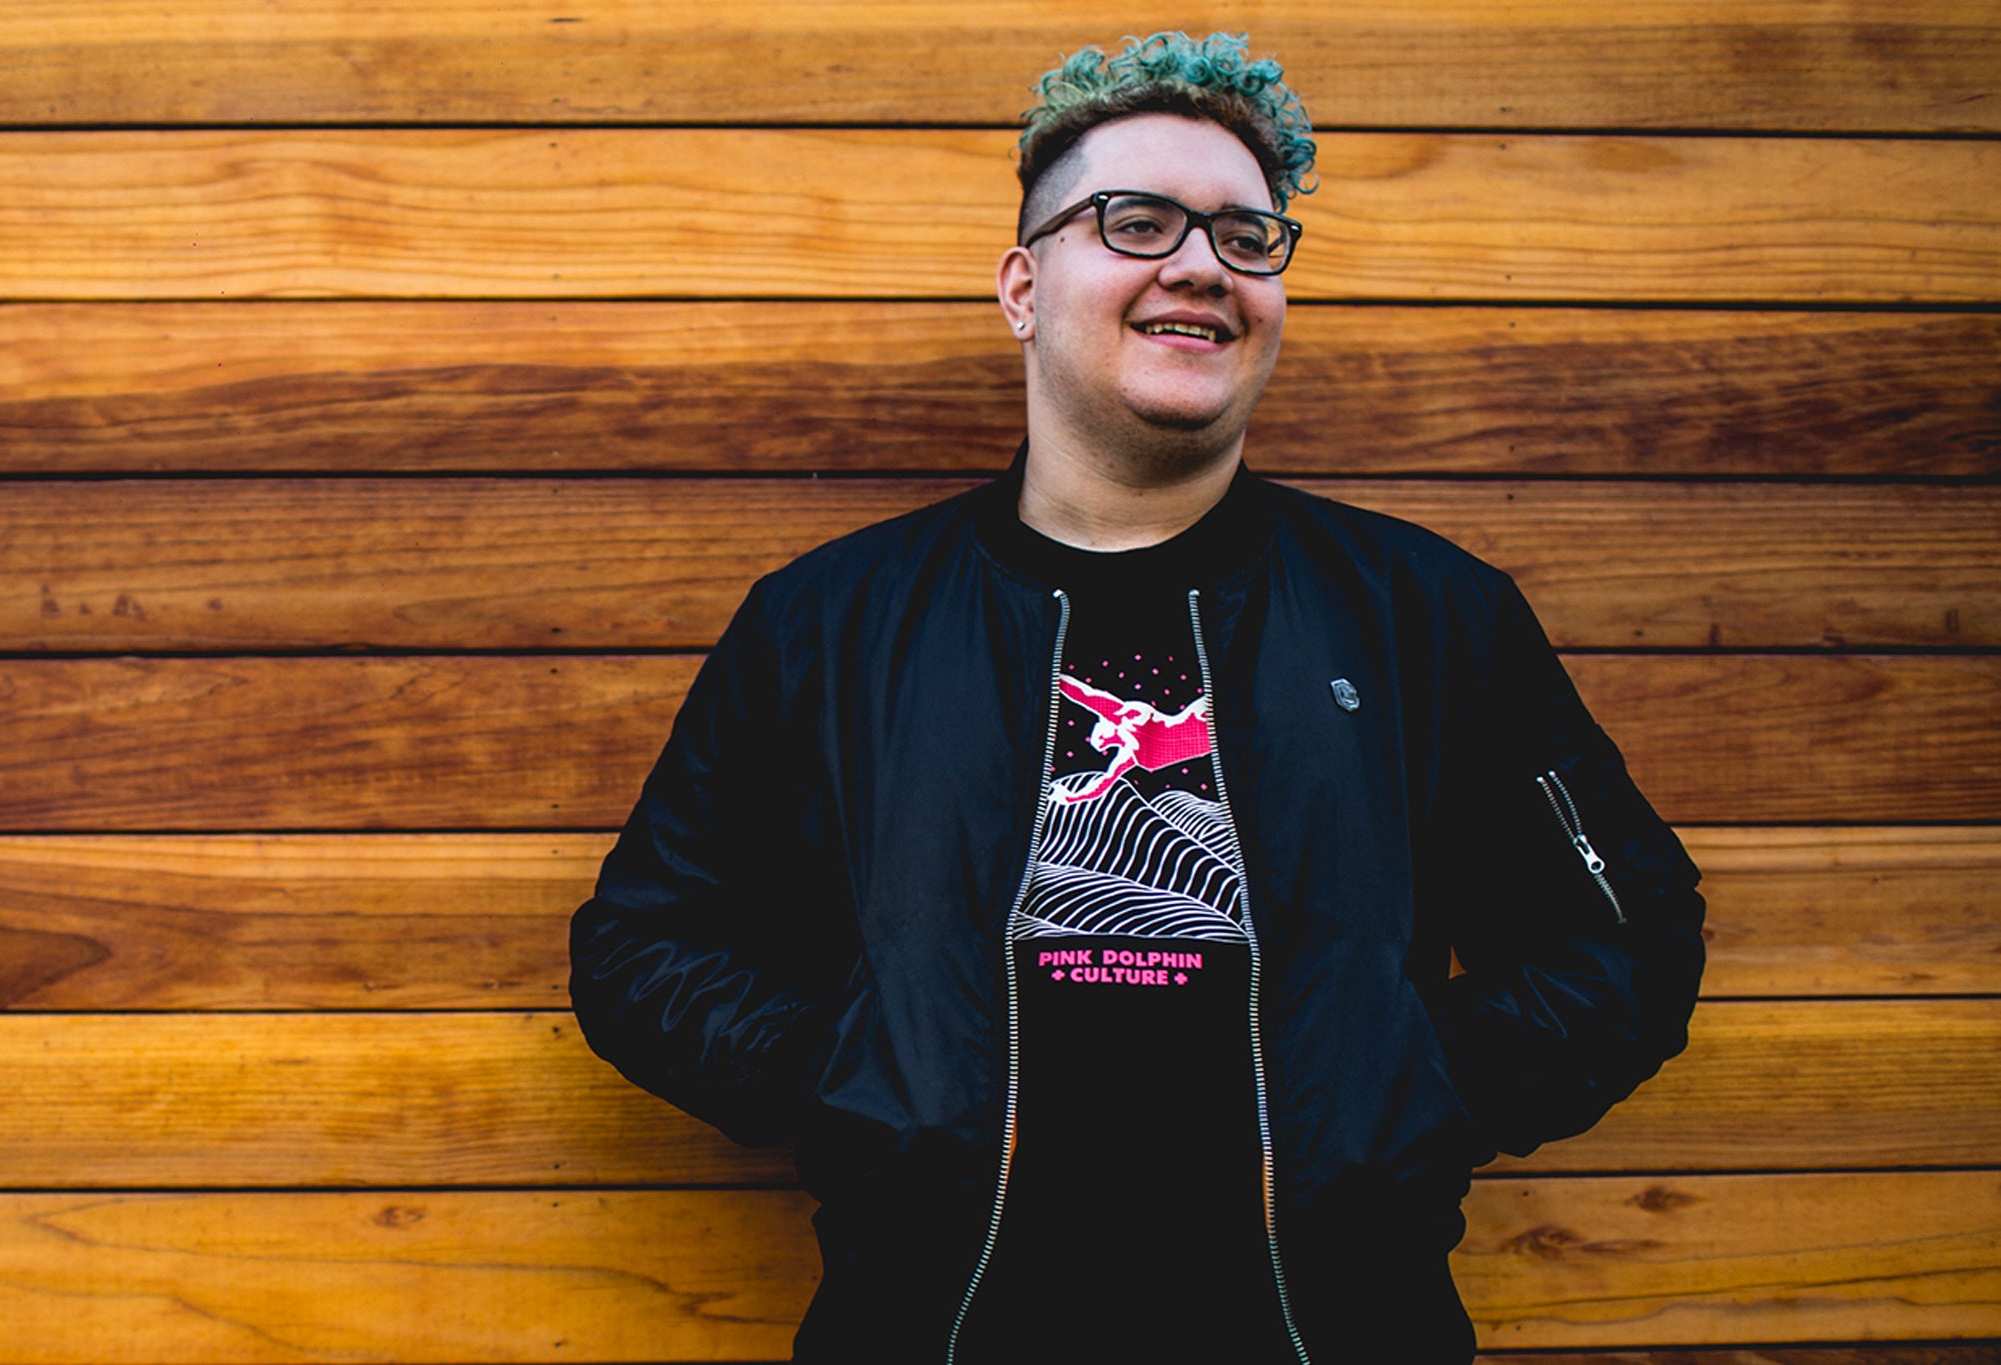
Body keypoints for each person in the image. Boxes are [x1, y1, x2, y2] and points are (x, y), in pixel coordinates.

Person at [571, 31, 1704, 1363]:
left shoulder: (1428, 616)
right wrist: (853, 1079)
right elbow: (642, 947)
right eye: (1138, 222)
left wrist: (1410, 1089)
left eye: (1245, 236)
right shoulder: (828, 623)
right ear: (1022, 285)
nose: (1201, 266)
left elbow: (1627, 936)